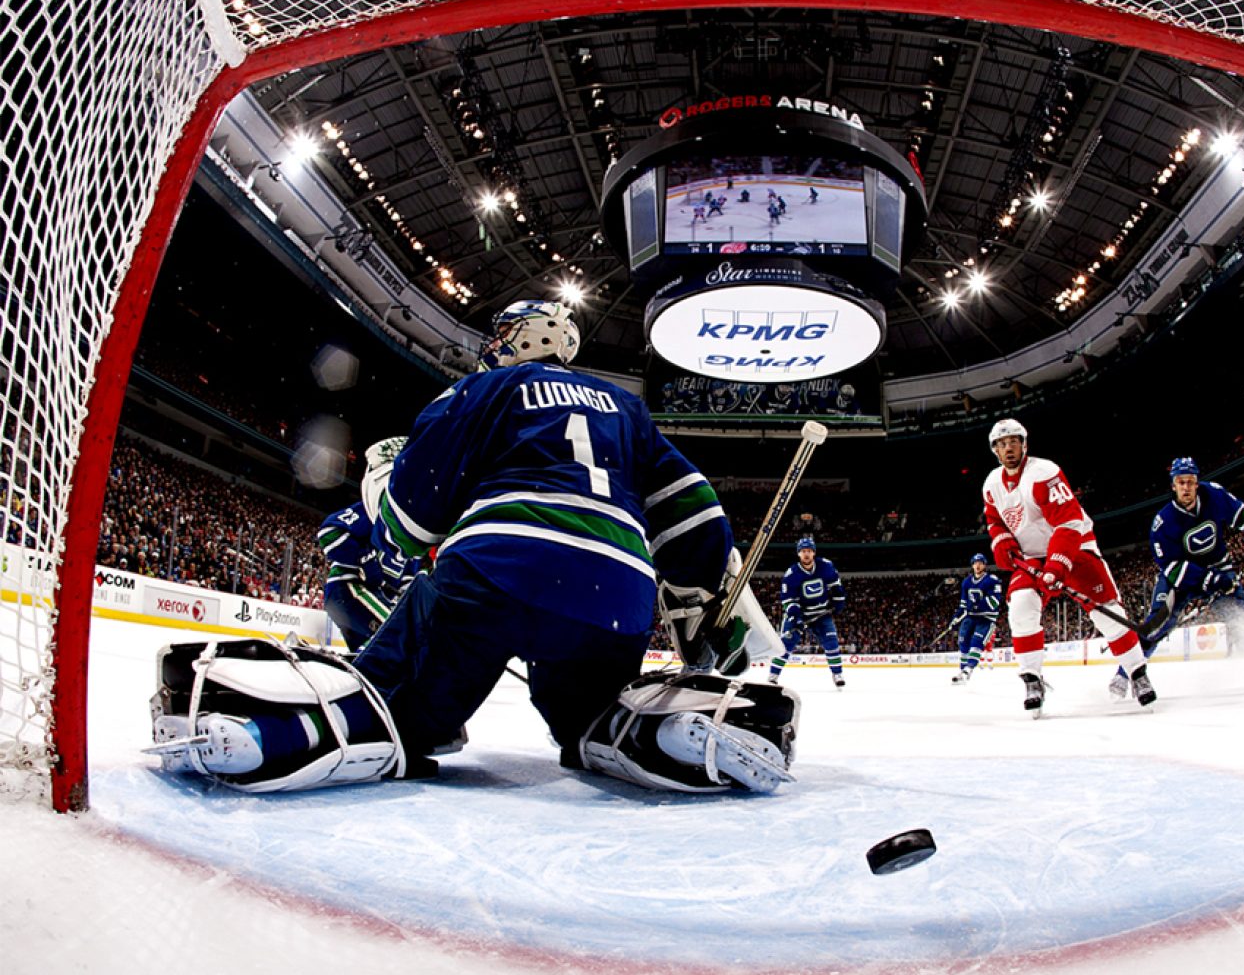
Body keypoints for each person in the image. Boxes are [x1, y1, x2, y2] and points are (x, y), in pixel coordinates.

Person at [149, 301, 797, 795]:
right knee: (591, 720)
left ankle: (274, 731)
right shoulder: (628, 412)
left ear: (513, 340)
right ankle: (675, 734)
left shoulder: (484, 389)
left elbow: (413, 511)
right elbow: (693, 507)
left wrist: (397, 517)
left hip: (496, 571)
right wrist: (699, 594)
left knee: (396, 708)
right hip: (615, 600)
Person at [981, 419, 1155, 715]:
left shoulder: (1043, 472)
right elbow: (995, 521)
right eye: (1001, 443)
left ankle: (1138, 673)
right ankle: (1032, 679)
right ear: (995, 451)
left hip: (1074, 548)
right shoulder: (992, 484)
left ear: (1024, 444)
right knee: (1021, 605)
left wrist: (1058, 564)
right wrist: (1002, 543)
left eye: (1013, 441)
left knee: (1108, 615)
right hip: (1033, 557)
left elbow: (1070, 521)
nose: (1007, 447)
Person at [1126, 457, 1244, 696]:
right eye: (1181, 482)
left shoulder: (1214, 494)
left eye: (1190, 482)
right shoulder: (1162, 523)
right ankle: (1128, 674)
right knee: (1157, 625)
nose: (1186, 487)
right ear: (1173, 485)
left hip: (1218, 566)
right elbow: (1172, 568)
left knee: (1241, 615)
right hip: (1181, 578)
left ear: (1197, 482)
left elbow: (1243, 517)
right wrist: (1209, 580)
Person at [316, 437, 412, 653]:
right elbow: (329, 532)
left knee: (370, 654)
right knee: (398, 636)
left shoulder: (414, 536)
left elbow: (406, 583)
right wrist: (364, 560)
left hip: (368, 594)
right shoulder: (377, 510)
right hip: (349, 589)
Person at [771, 538, 847, 688]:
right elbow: (788, 599)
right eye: (803, 551)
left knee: (831, 643)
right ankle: (773, 675)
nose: (806, 554)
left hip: (822, 613)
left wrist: (838, 600)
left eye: (809, 551)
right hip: (800, 614)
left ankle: (837, 674)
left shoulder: (825, 566)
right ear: (799, 553)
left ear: (814, 552)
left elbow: (836, 586)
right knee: (786, 644)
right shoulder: (792, 573)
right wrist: (795, 617)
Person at [950, 553, 1002, 684]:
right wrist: (955, 619)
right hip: (970, 617)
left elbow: (995, 602)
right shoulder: (966, 582)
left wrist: (977, 605)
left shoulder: (992, 580)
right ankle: (962, 671)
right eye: (975, 562)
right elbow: (963, 605)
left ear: (984, 565)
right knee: (963, 643)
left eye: (980, 562)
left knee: (976, 643)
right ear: (972, 565)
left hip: (986, 618)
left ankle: (968, 669)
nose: (977, 565)